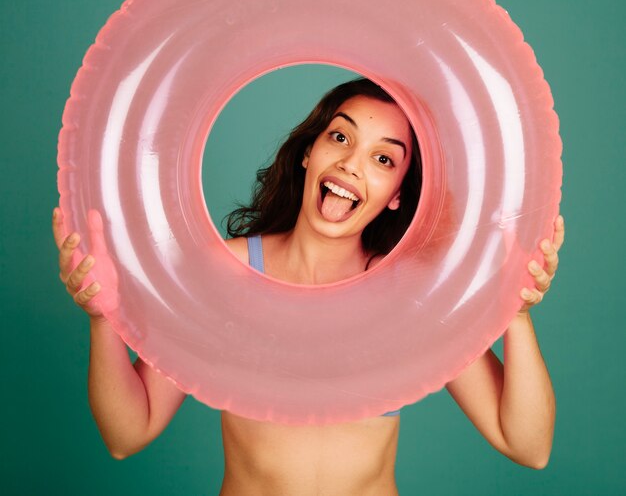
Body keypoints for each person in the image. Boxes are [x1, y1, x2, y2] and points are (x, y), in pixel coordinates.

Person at [52, 78, 564, 495]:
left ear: (396, 196)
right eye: (340, 138)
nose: (350, 165)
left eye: (383, 159)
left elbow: (529, 447)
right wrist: (103, 321)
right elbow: (127, 434)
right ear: (308, 152)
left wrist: (515, 315)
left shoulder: (407, 294)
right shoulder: (228, 273)